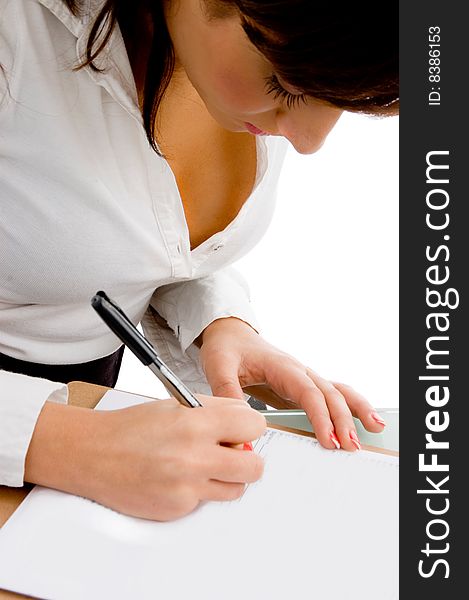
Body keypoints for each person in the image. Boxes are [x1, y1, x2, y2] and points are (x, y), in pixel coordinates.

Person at [0, 0, 398, 521]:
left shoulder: (259, 46)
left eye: (338, 101)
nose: (308, 142)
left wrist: (218, 327)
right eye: (285, 86)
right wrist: (63, 445)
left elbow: (82, 232)